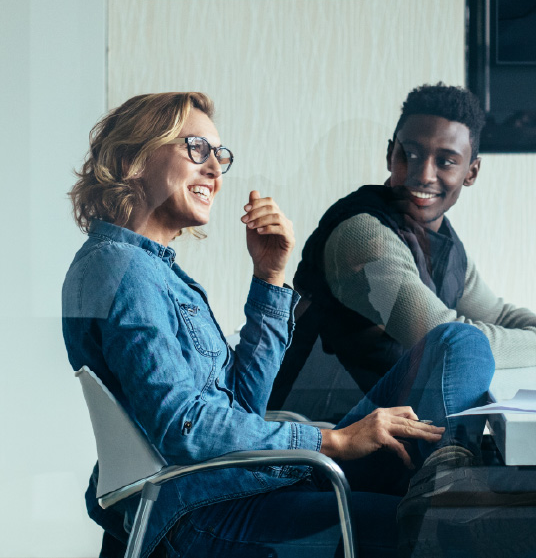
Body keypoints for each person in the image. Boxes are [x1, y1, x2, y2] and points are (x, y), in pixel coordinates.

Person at [63, 92, 495, 558]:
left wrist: (269, 277)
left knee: (460, 342)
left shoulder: (153, 271)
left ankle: (441, 487)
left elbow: (246, 406)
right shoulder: (121, 270)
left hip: (249, 480)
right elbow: (181, 424)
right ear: (135, 155)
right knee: (457, 535)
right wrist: (332, 441)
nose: (214, 170)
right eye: (196, 149)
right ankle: (448, 505)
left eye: (219, 156)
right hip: (206, 511)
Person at [268, 83, 536, 558]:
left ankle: (456, 491)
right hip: (333, 443)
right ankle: (452, 498)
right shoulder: (362, 236)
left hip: (409, 439)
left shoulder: (440, 238)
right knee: (459, 350)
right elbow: (447, 333)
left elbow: (494, 313)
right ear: (389, 154)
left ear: (471, 172)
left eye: (445, 160)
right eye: (408, 155)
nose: (422, 173)